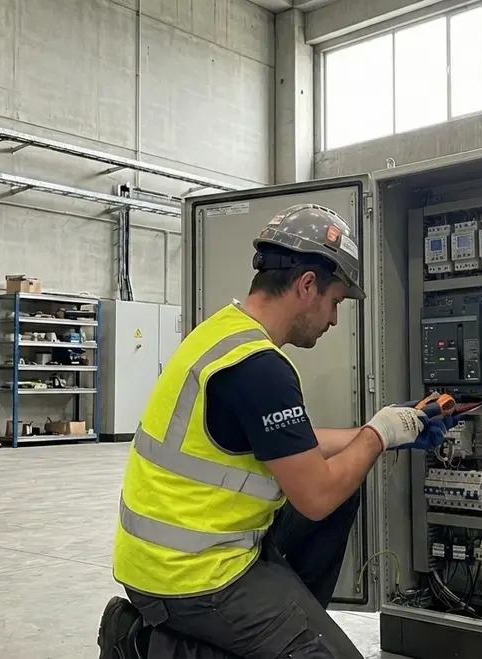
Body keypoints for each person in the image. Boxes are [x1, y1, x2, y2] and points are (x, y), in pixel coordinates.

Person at [97, 203, 452, 659]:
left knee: (347, 490)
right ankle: (145, 644)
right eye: (335, 301)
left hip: (181, 551)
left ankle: (288, 626)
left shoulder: (223, 334)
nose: (334, 320)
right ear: (307, 285)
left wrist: (391, 427)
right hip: (187, 574)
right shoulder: (260, 368)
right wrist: (378, 435)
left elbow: (294, 446)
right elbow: (316, 494)